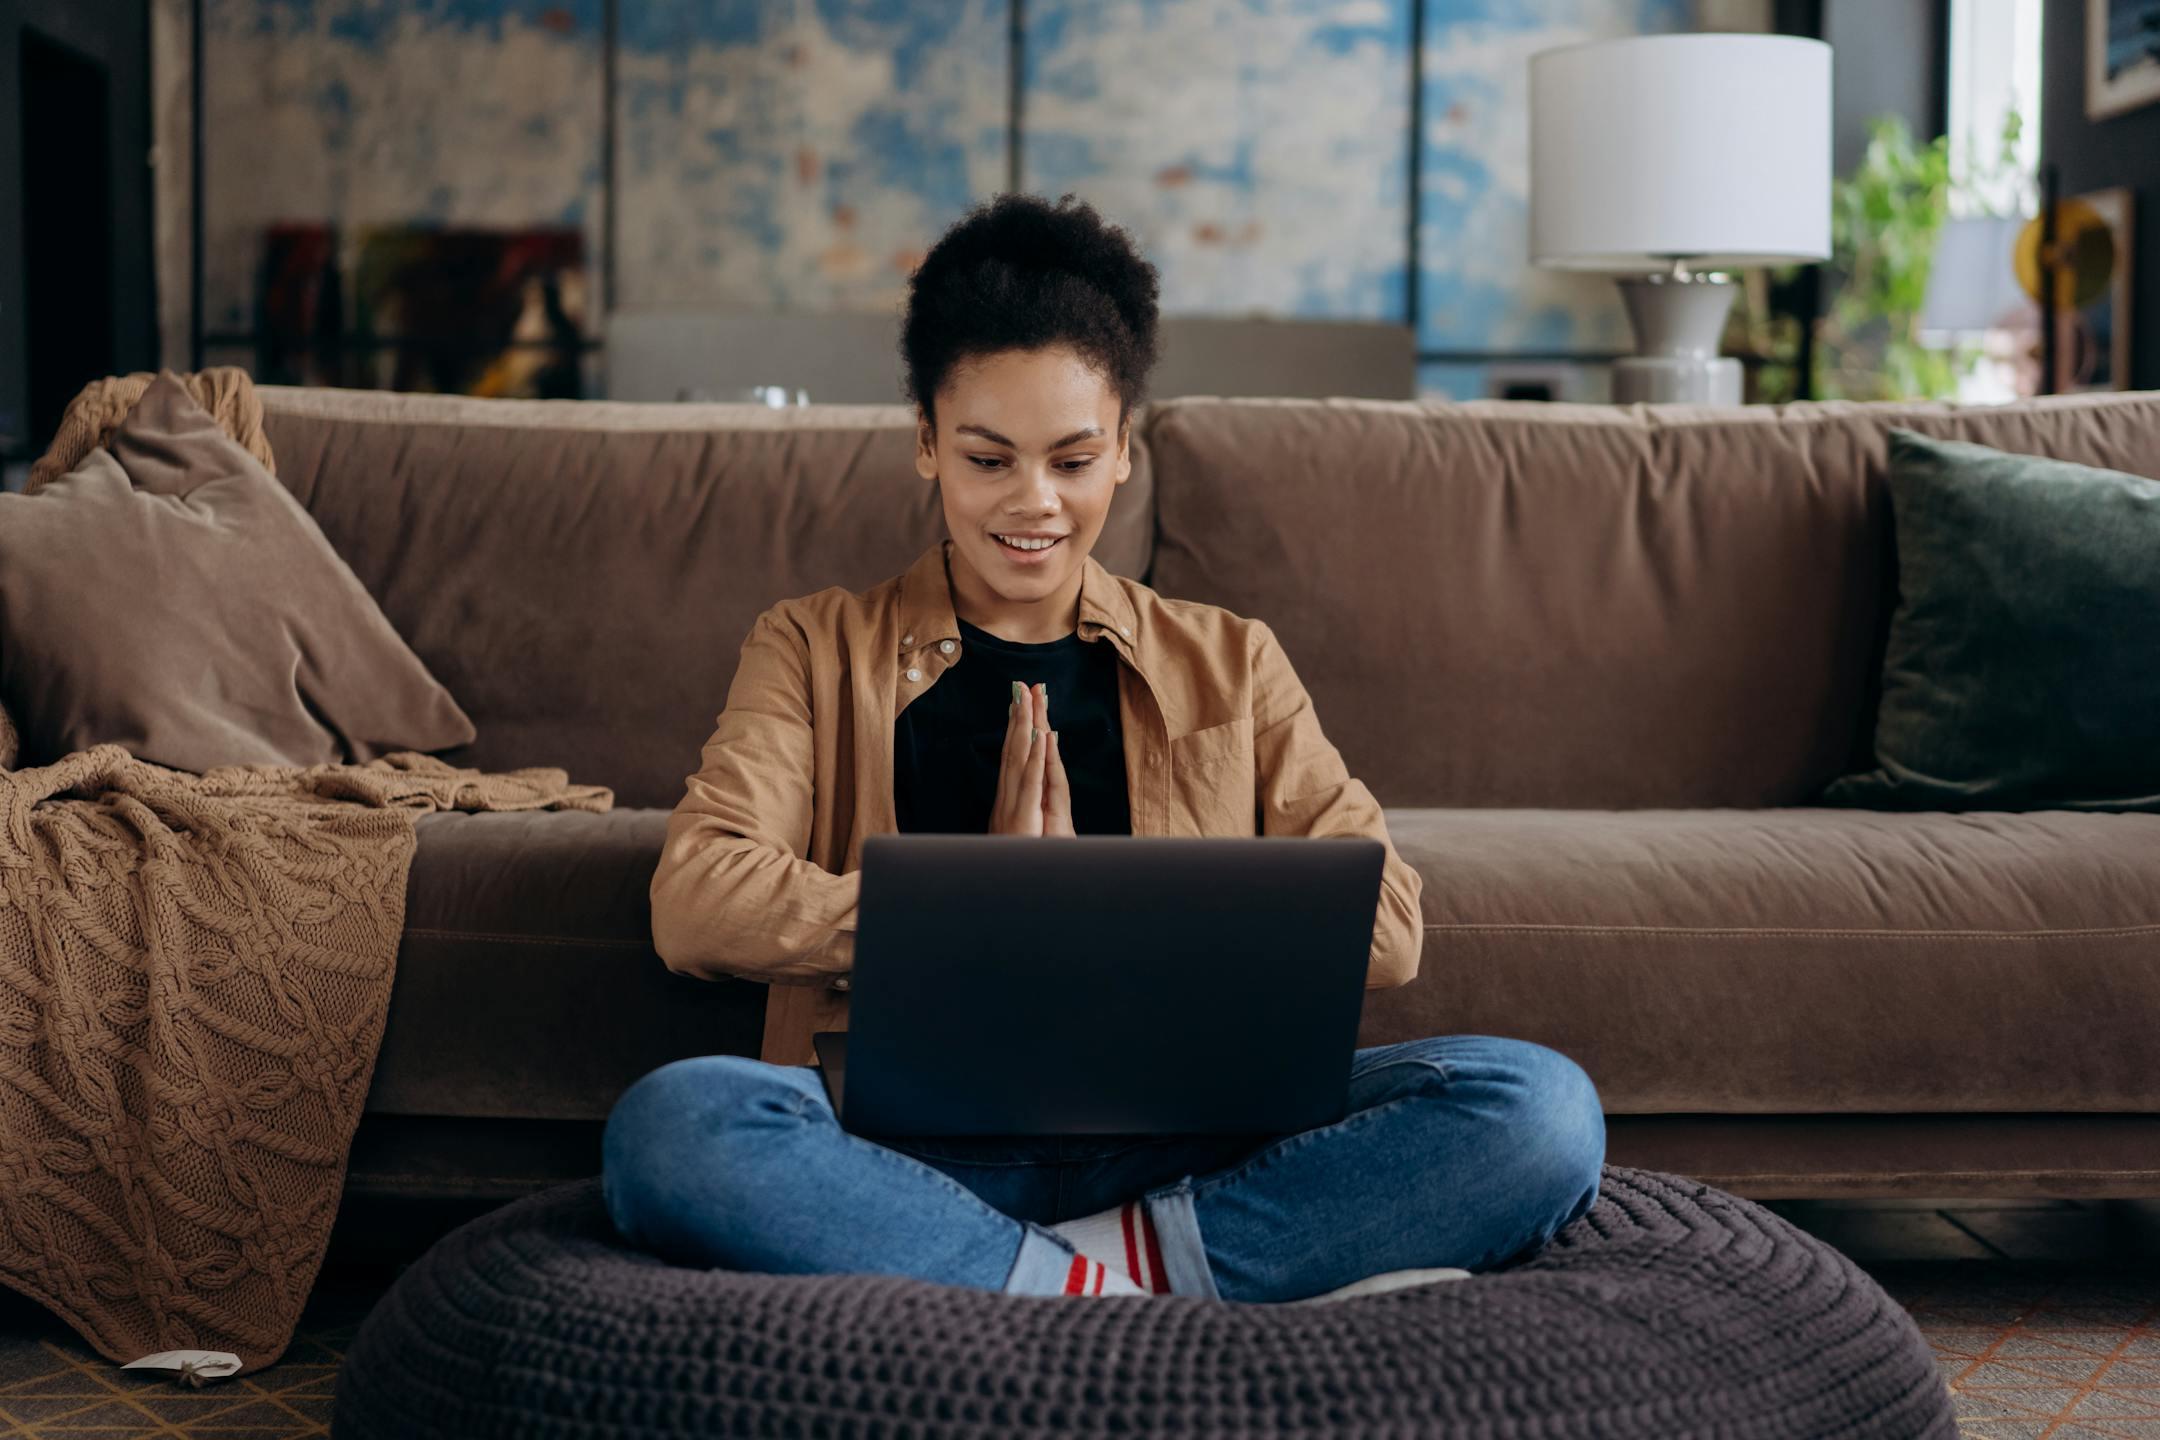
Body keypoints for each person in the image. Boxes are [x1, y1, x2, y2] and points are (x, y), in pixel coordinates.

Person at [601, 192, 1605, 1302]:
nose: (1034, 504)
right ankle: (1137, 1284)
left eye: (1073, 461)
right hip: (902, 1150)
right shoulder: (810, 644)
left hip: (1181, 1148)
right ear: (926, 444)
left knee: (1542, 1110)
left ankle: (1038, 1283)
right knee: (673, 1128)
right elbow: (695, 898)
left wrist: (1098, 909)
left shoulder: (1232, 661)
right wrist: (974, 909)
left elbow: (1391, 926)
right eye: (989, 459)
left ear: (1123, 451)